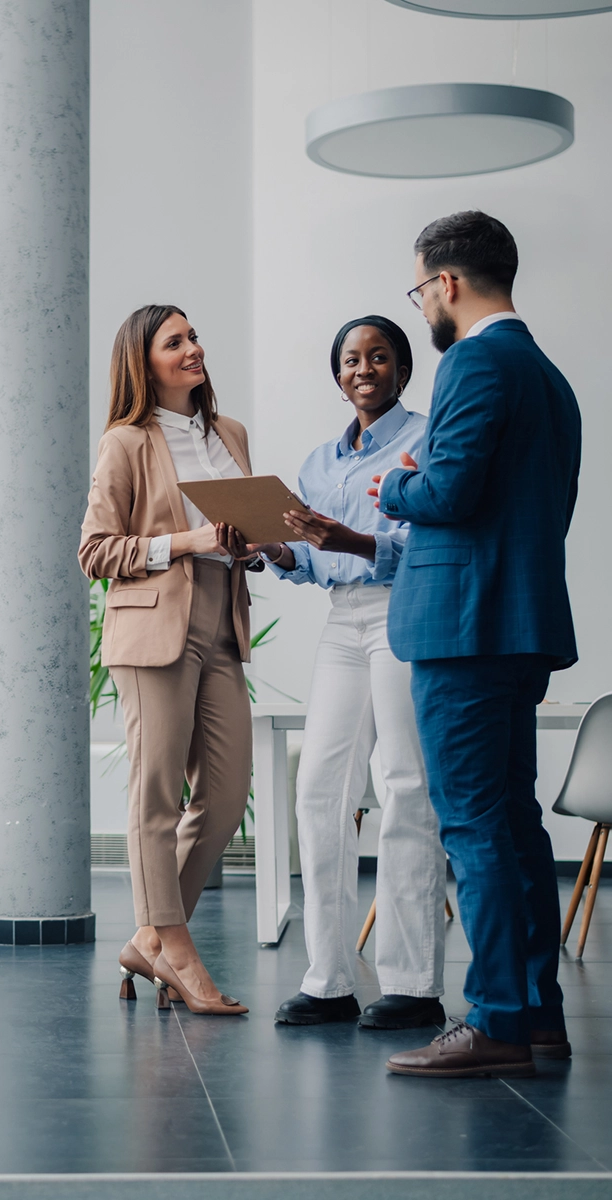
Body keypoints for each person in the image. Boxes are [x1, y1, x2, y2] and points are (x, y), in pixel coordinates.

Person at [371, 211, 581, 1078]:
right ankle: (535, 1015)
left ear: (447, 284)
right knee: (512, 824)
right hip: (514, 624)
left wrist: (397, 486)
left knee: (473, 828)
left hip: (466, 628)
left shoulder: (475, 361)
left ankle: (495, 1020)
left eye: (419, 289)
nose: (422, 304)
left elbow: (450, 493)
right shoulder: (547, 374)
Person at [222, 316, 448, 1029]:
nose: (363, 368)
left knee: (406, 787)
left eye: (379, 356)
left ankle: (412, 985)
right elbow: (318, 563)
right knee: (320, 789)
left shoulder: (427, 441)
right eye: (351, 358)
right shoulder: (322, 461)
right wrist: (277, 553)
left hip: (405, 614)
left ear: (403, 371)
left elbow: (425, 545)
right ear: (338, 374)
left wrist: (348, 538)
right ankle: (329, 979)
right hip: (343, 621)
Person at [79, 304, 256, 1015]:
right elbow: (95, 552)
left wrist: (257, 543)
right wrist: (187, 542)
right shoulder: (126, 442)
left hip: (222, 623)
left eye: (193, 337)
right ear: (143, 361)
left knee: (224, 794)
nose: (193, 349)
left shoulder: (230, 434)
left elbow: (237, 533)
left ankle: (149, 938)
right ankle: (174, 947)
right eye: (174, 341)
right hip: (155, 629)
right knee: (156, 796)